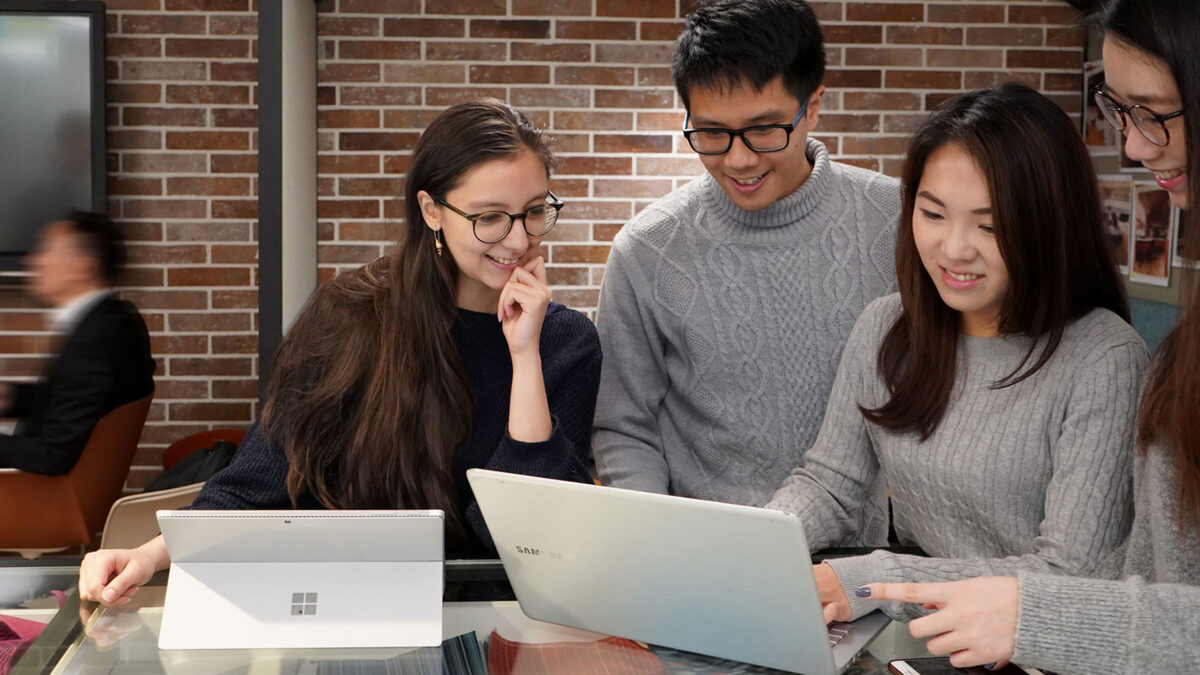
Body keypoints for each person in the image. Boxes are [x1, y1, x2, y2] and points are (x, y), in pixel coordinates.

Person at [78, 99, 602, 606]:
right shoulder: (352, 316)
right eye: (489, 217)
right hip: (351, 612)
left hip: (502, 624)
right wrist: (147, 556)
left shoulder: (565, 342)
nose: (517, 240)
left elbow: (532, 541)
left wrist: (525, 354)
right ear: (431, 211)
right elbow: (260, 478)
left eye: (534, 212)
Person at [863, 1, 1200, 672]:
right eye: (1118, 108)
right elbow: (1157, 578)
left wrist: (1033, 614)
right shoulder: (1178, 353)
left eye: (1155, 111)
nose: (1133, 146)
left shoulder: (1104, 354)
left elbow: (1088, 571)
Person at [764, 83, 1149, 626]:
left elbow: (1070, 574)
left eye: (991, 226)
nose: (954, 249)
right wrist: (754, 550)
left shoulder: (1104, 358)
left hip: (1038, 647)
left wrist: (880, 581)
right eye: (934, 213)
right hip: (933, 633)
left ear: (1049, 226)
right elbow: (831, 484)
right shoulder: (886, 326)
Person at [592, 0, 900, 512]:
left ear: (814, 105)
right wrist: (651, 539)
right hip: (702, 553)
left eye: (764, 128)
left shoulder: (897, 219)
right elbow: (623, 425)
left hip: (857, 565)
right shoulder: (647, 249)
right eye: (711, 133)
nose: (739, 159)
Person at [0, 212, 154, 475]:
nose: (33, 261)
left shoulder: (93, 341)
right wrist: (10, 397)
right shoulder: (112, 320)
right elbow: (70, 400)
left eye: (46, 250)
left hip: (38, 498)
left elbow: (53, 455)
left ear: (81, 266)